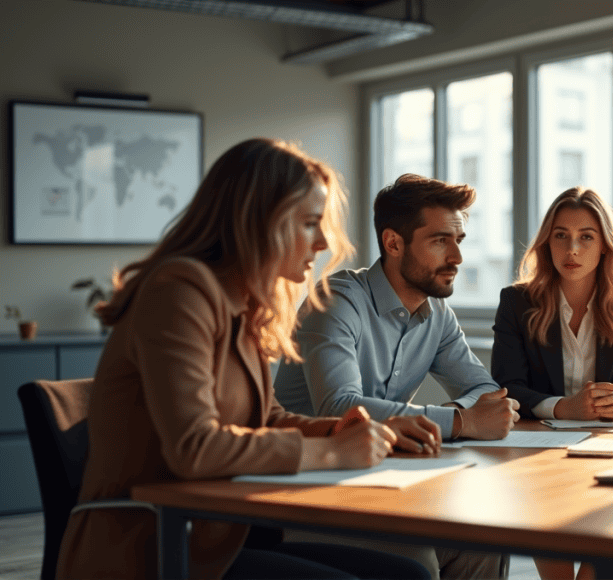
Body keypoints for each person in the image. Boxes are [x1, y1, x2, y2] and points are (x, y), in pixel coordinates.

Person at [56, 138, 430, 580]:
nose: (324, 241)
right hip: (149, 549)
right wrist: (330, 453)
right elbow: (194, 449)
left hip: (216, 537)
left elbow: (265, 417)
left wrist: (351, 429)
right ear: (260, 221)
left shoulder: (243, 303)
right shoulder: (180, 292)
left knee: (408, 574)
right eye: (309, 223)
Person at [273, 173, 517, 580]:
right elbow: (340, 406)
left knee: (484, 540)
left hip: (387, 483)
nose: (456, 257)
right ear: (393, 243)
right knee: (414, 561)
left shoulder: (436, 314)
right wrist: (459, 422)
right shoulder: (336, 302)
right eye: (441, 241)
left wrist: (458, 416)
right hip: (311, 491)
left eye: (459, 241)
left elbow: (483, 389)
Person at [491, 187, 613, 580]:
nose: (572, 249)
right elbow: (506, 386)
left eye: (586, 236)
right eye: (561, 235)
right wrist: (563, 407)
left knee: (598, 567)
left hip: (608, 449)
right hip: (537, 453)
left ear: (604, 246)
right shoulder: (517, 302)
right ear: (546, 243)